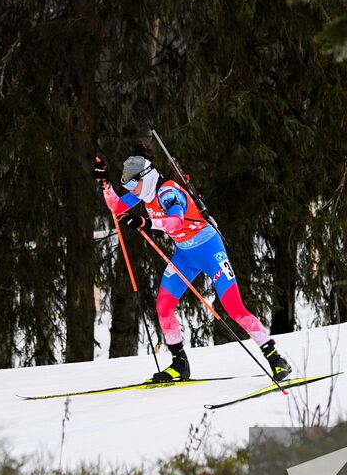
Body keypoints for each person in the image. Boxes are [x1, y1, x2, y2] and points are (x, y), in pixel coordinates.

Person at [95, 152, 291, 384]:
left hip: (209, 249)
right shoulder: (144, 195)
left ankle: (276, 358)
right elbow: (117, 208)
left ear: (146, 177)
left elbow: (176, 221)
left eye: (132, 183)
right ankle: (179, 364)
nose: (130, 189)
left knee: (233, 307)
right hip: (185, 256)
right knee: (163, 306)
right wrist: (106, 185)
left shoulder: (167, 192)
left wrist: (146, 222)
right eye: (125, 184)